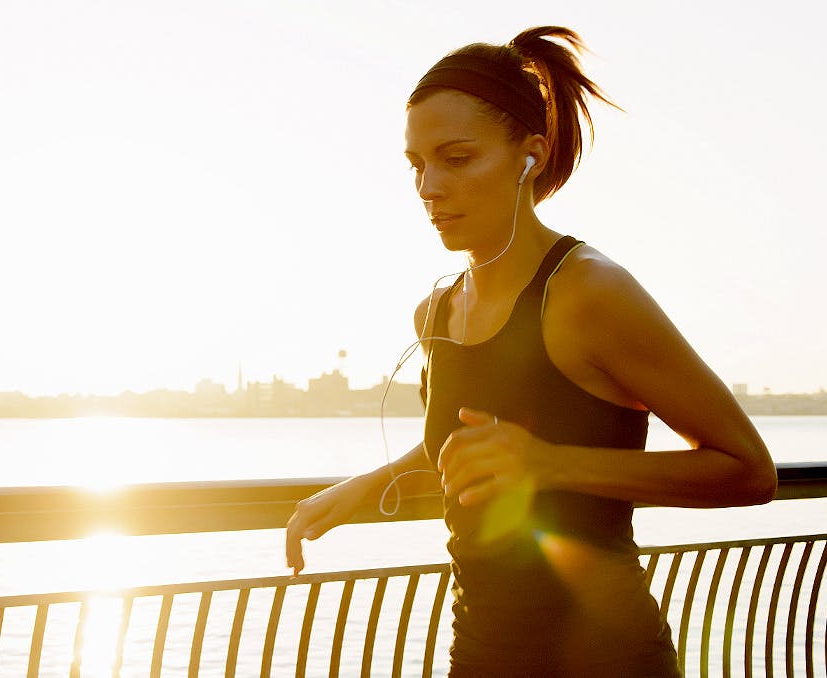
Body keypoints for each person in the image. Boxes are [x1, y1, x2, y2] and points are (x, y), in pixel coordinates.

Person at [284, 26, 777, 677]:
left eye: (456, 158)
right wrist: (359, 490)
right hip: (482, 655)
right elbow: (467, 452)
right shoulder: (435, 311)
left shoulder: (587, 292)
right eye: (417, 164)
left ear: (531, 155)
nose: (428, 186)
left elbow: (748, 471)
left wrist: (550, 465)